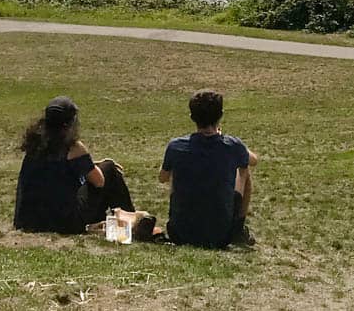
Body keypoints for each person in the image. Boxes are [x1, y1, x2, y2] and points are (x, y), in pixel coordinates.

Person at [13, 96, 135, 234]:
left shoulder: (35, 145)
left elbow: (53, 171)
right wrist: (103, 165)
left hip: (29, 221)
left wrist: (91, 164)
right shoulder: (73, 147)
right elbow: (99, 181)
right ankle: (130, 220)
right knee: (109, 169)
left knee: (103, 168)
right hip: (64, 222)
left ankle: (123, 220)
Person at [160, 89, 258, 249]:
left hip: (179, 233)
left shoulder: (176, 146)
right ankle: (239, 227)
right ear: (221, 115)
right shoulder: (232, 146)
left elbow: (162, 178)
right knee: (244, 169)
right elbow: (252, 160)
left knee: (175, 172)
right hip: (221, 236)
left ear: (192, 117)